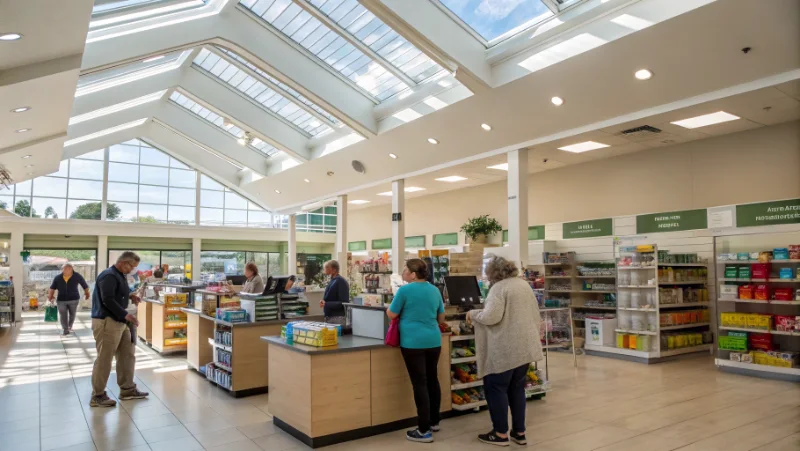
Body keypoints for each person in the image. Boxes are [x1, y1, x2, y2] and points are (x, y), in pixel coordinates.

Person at [466, 256, 543, 446]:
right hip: (525, 346)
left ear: (493, 273)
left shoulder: (499, 288)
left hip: (505, 348)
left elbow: (491, 316)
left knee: (496, 388)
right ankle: (519, 432)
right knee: (517, 389)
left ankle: (500, 434)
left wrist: (473, 314)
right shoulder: (523, 285)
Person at [386, 259, 445, 443]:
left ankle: (423, 430)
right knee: (432, 379)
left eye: (405, 269)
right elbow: (441, 316)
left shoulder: (404, 290)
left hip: (412, 342)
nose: (403, 272)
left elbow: (392, 313)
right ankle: (434, 421)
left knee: (419, 383)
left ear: (413, 274)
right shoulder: (434, 290)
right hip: (434, 340)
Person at [90, 251, 149, 407]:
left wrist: (130, 295)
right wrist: (126, 314)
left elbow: (116, 293)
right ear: (124, 263)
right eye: (132, 266)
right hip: (107, 321)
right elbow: (107, 299)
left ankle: (127, 389)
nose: (133, 270)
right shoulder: (109, 275)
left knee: (127, 354)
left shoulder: (119, 275)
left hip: (120, 321)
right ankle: (97, 395)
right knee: (105, 358)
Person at [47, 263, 90, 335]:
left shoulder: (77, 276)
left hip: (74, 299)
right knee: (63, 315)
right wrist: (50, 296)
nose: (63, 270)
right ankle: (65, 329)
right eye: (63, 269)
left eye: (65, 269)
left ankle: (70, 326)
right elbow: (52, 288)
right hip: (61, 299)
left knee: (72, 314)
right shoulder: (58, 277)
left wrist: (87, 293)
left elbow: (84, 285)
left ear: (70, 269)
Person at [319, 260, 349, 324]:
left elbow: (343, 302)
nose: (325, 270)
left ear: (334, 270)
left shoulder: (340, 281)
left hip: (337, 317)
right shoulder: (333, 280)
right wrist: (324, 302)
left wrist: (326, 304)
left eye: (327, 267)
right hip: (330, 316)